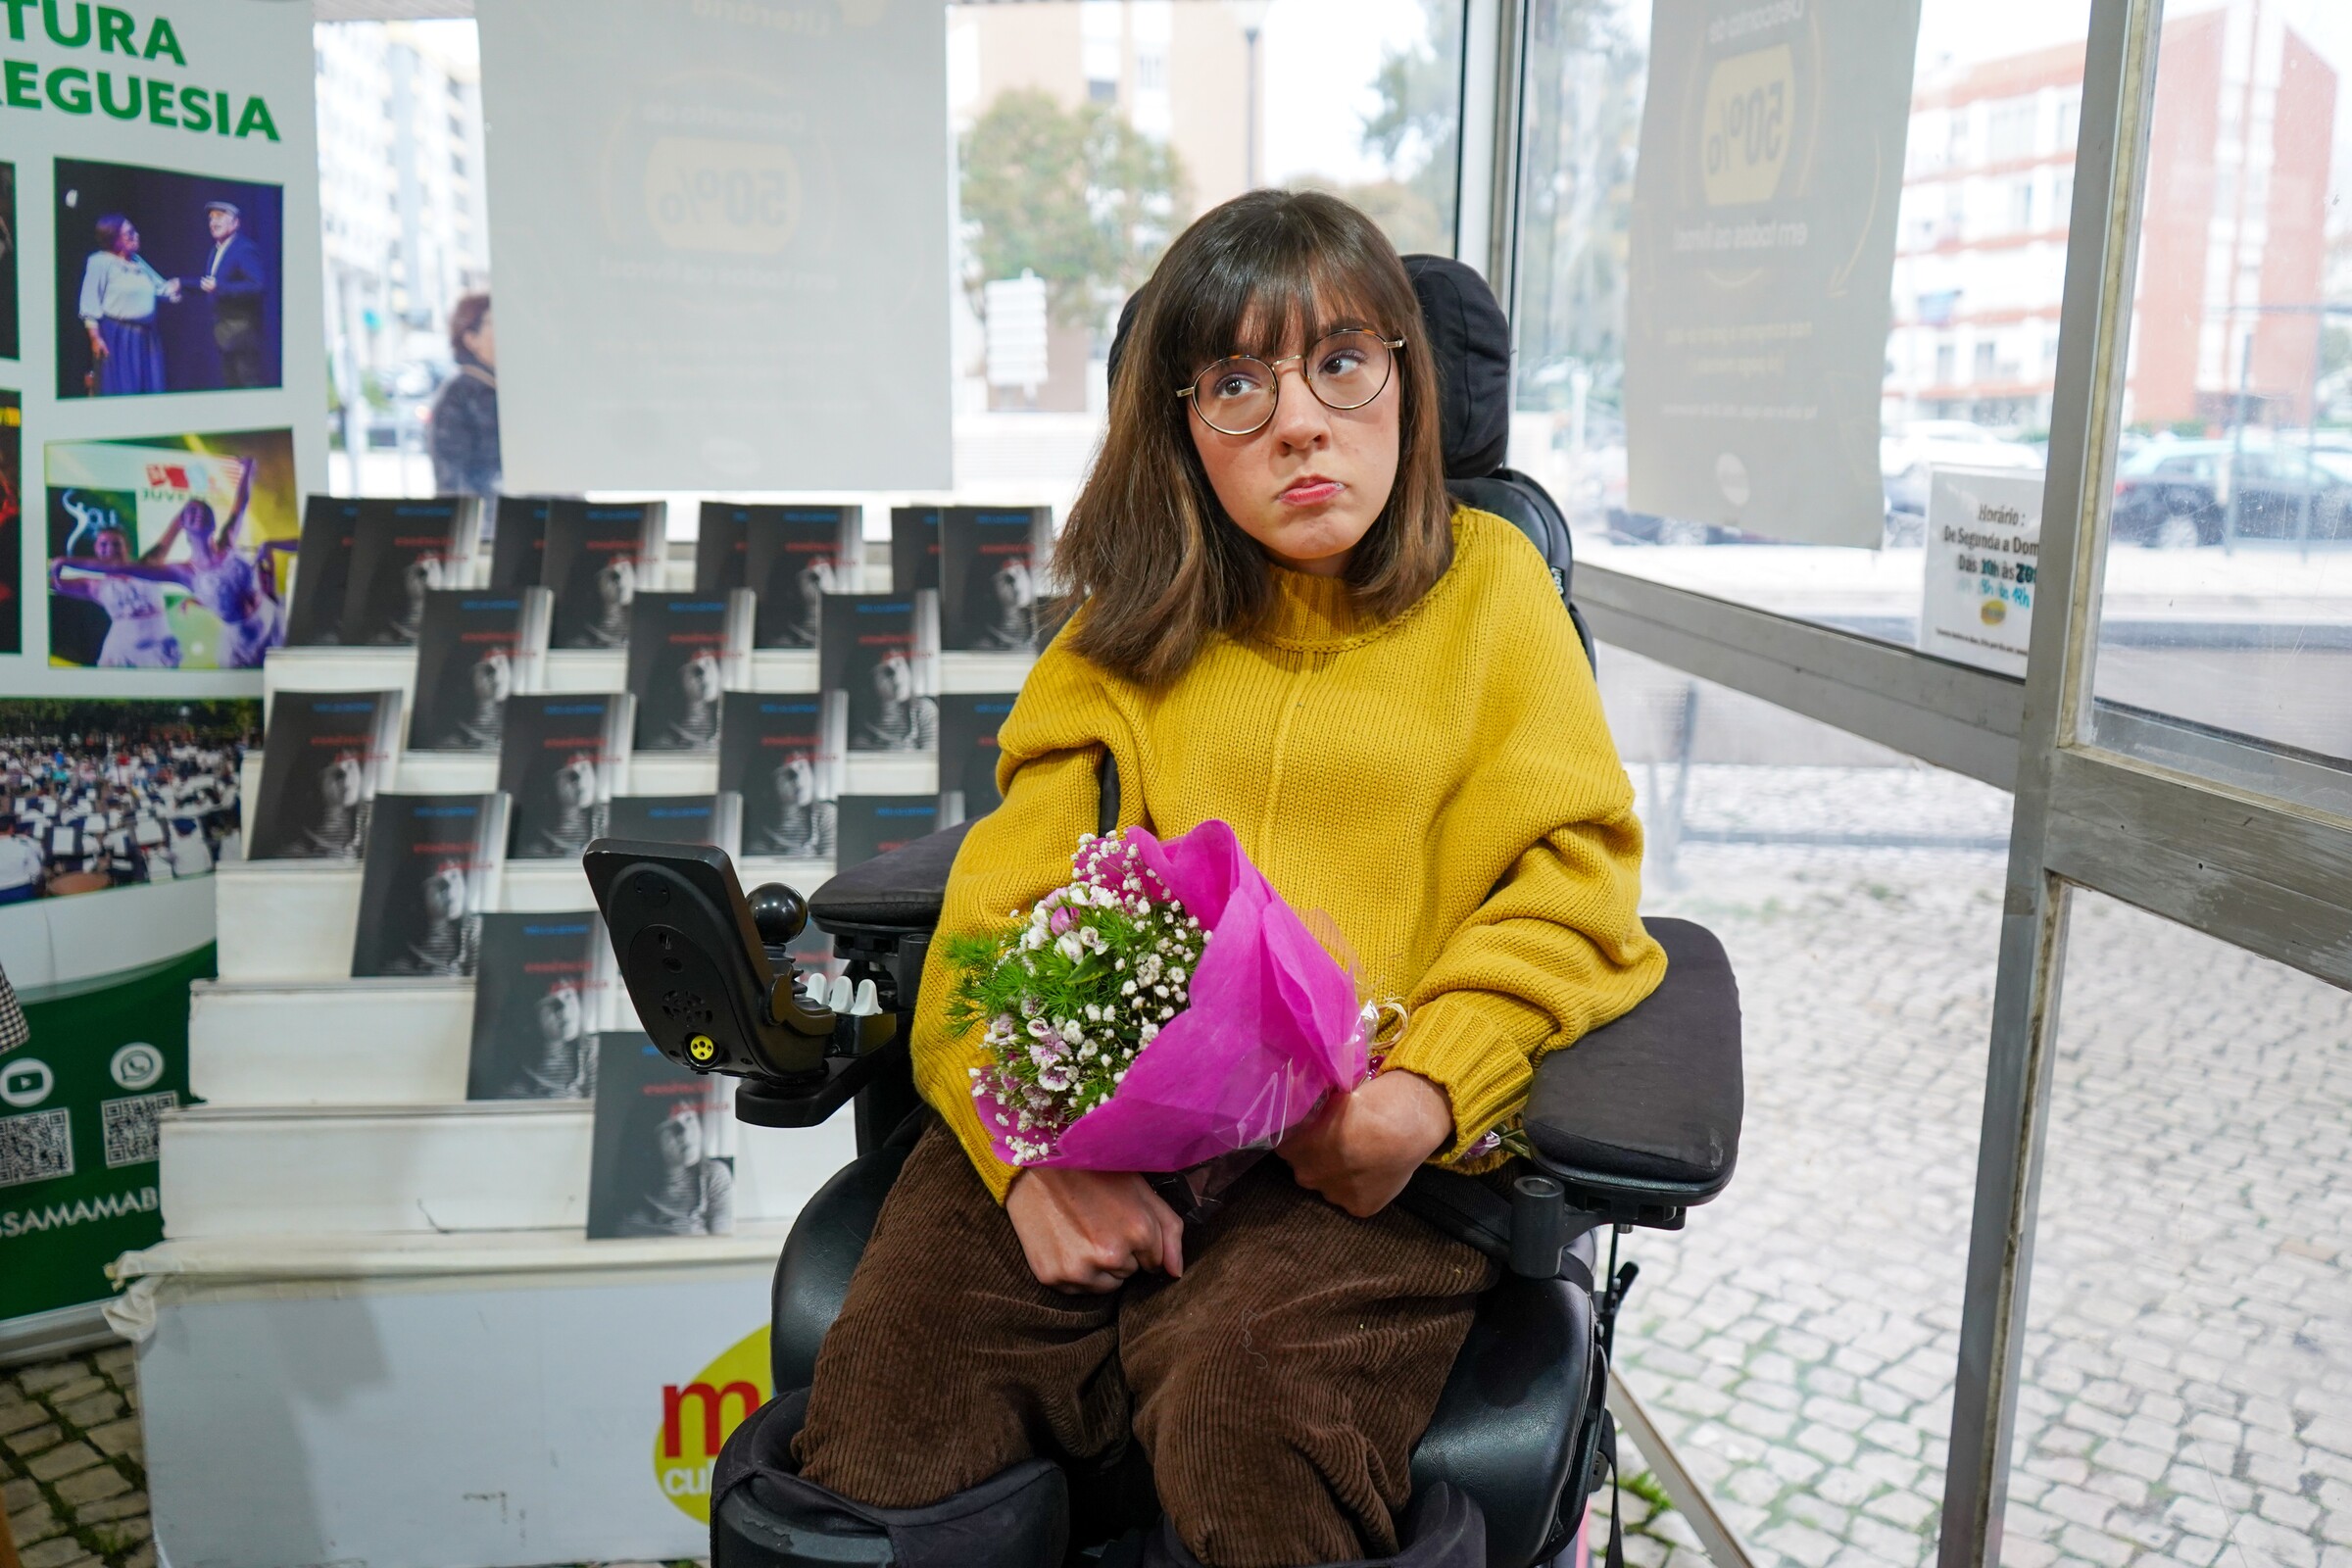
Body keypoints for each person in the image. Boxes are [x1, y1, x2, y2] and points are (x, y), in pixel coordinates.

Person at [783, 192, 1665, 1568]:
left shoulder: (1492, 593)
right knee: (892, 1401)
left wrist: (1429, 1092)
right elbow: (996, 911)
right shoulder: (1128, 625)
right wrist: (1022, 1164)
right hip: (1090, 1124)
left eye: (1342, 362)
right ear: (1184, 428)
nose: (1301, 422)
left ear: (1406, 383)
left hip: (1354, 1157)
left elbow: (1575, 878)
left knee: (1244, 1415)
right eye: (1240, 385)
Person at [102, 458, 291, 668]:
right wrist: (67, 562)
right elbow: (126, 568)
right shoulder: (184, 571)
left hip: (274, 622)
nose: (197, 513)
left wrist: (248, 469)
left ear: (212, 522)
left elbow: (241, 503)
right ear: (183, 524)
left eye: (203, 510)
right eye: (191, 512)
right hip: (246, 647)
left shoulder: (228, 540)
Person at [49, 513, 180, 668]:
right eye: (103, 545)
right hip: (120, 652)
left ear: (128, 547)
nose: (110, 549)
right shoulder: (94, 586)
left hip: (158, 648)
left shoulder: (148, 566)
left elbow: (174, 528)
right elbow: (49, 583)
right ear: (96, 550)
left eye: (117, 544)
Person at [76, 215, 179, 396]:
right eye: (129, 233)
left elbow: (161, 287)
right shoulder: (100, 262)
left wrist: (180, 287)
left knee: (150, 388)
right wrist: (95, 338)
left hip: (147, 338)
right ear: (114, 239)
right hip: (118, 337)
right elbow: (90, 303)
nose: (136, 235)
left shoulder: (137, 262)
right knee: (123, 388)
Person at [615, 1099, 734, 1238]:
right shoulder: (633, 1187)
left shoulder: (715, 1176)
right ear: (651, 1140)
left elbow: (723, 1244)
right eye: (672, 1126)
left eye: (689, 1119)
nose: (685, 1133)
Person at [430, 292, 501, 497]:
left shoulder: (513, 387)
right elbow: (451, 481)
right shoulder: (458, 395)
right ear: (471, 339)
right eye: (493, 322)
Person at [197, 200, 270, 389]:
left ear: (235, 223)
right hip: (223, 334)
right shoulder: (215, 251)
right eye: (211, 218)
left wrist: (220, 287)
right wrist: (182, 284)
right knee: (232, 388)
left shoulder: (243, 248)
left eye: (220, 217)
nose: (213, 222)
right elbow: (210, 284)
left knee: (249, 386)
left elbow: (257, 286)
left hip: (242, 333)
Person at [386, 860, 478, 977]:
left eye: (454, 876)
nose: (448, 890)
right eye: (439, 881)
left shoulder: (475, 929)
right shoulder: (401, 966)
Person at [750, 749, 836, 858]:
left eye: (802, 767)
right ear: (768, 784)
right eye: (787, 774)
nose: (799, 780)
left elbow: (832, 865)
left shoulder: (825, 814)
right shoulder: (760, 824)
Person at [850, 649, 936, 751]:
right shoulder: (862, 722)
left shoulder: (923, 710)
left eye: (899, 664)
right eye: (887, 672)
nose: (897, 677)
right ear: (870, 680)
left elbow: (930, 758)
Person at [0, 817, 44, 905]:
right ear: (11, 828)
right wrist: (32, 882)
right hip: (22, 889)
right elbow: (36, 869)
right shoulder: (23, 845)